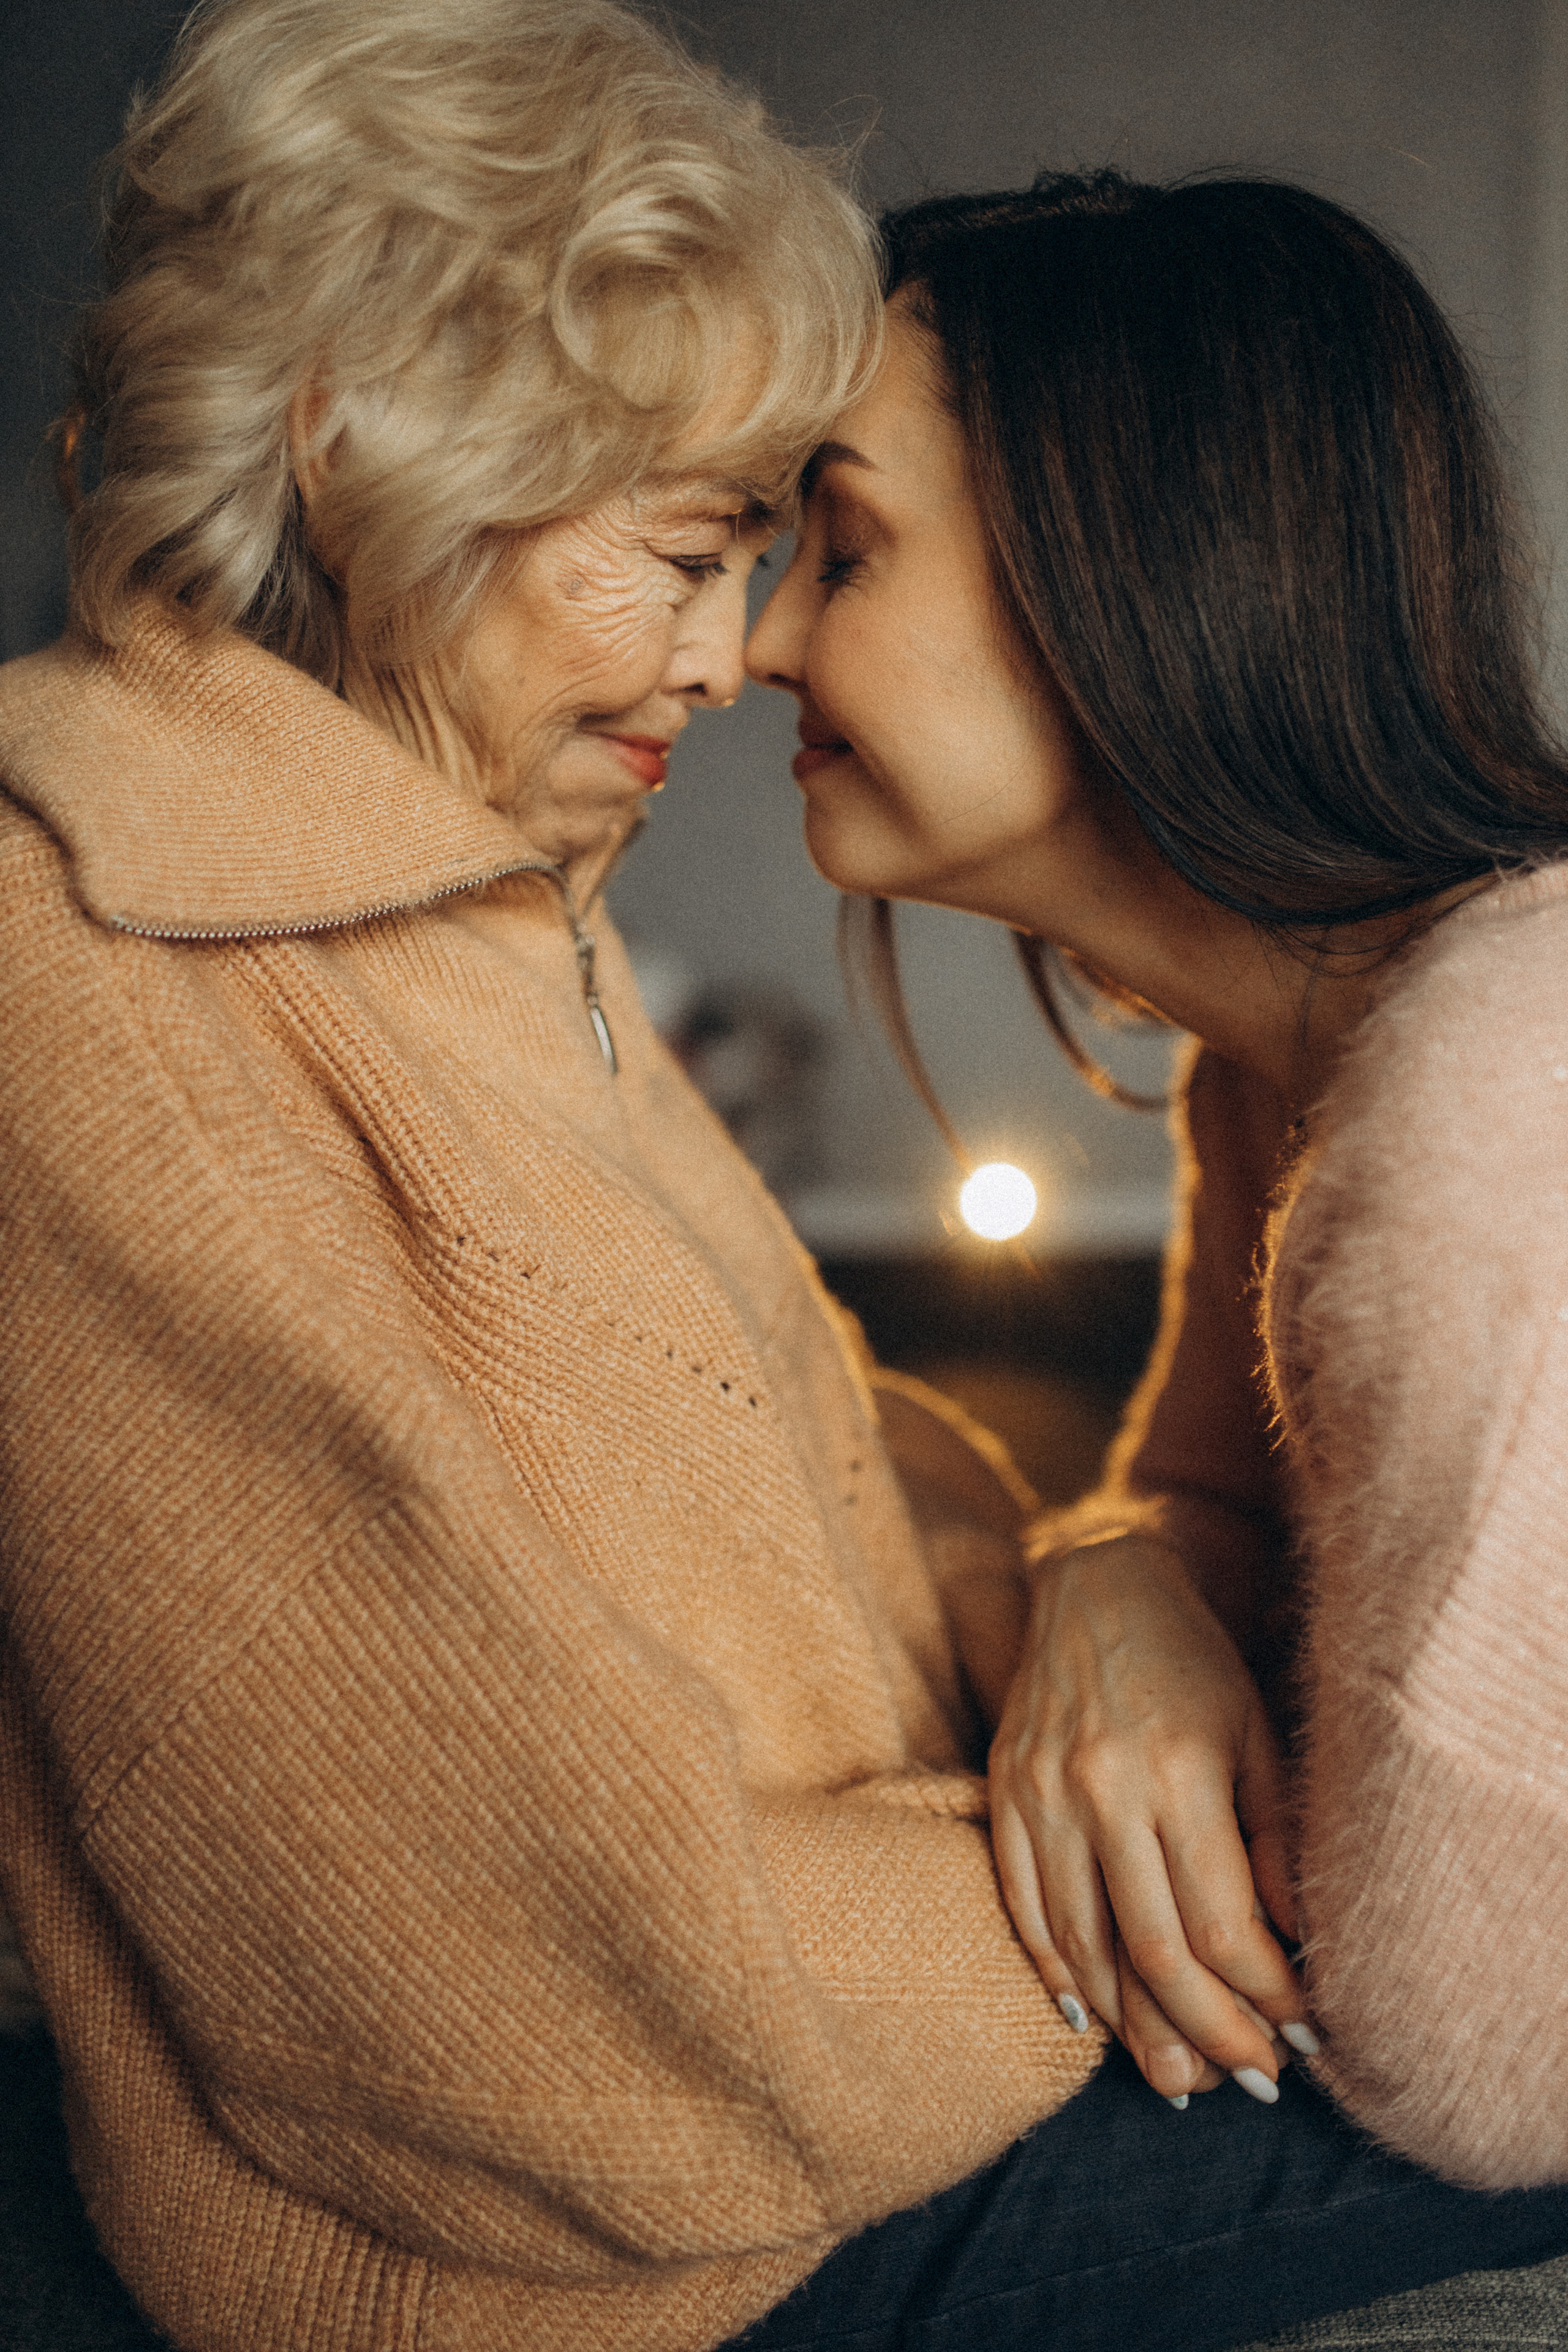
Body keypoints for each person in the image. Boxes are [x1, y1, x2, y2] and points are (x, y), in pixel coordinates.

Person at [0, 7, 1112, 2347]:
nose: (731, 661)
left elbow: (808, 1483)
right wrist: (1166, 1888)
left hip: (842, 2070)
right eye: (691, 549)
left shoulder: (474, 893)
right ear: (359, 435)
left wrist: (1110, 1611)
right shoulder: (86, 968)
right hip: (615, 2265)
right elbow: (514, 2013)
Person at [745, 166, 1568, 2331]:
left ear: (1127, 565)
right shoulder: (1276, 1054)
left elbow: (1478, 2071)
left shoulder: (1492, 1112)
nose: (752, 645)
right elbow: (1191, 1495)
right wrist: (1099, 1582)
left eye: (841, 547)